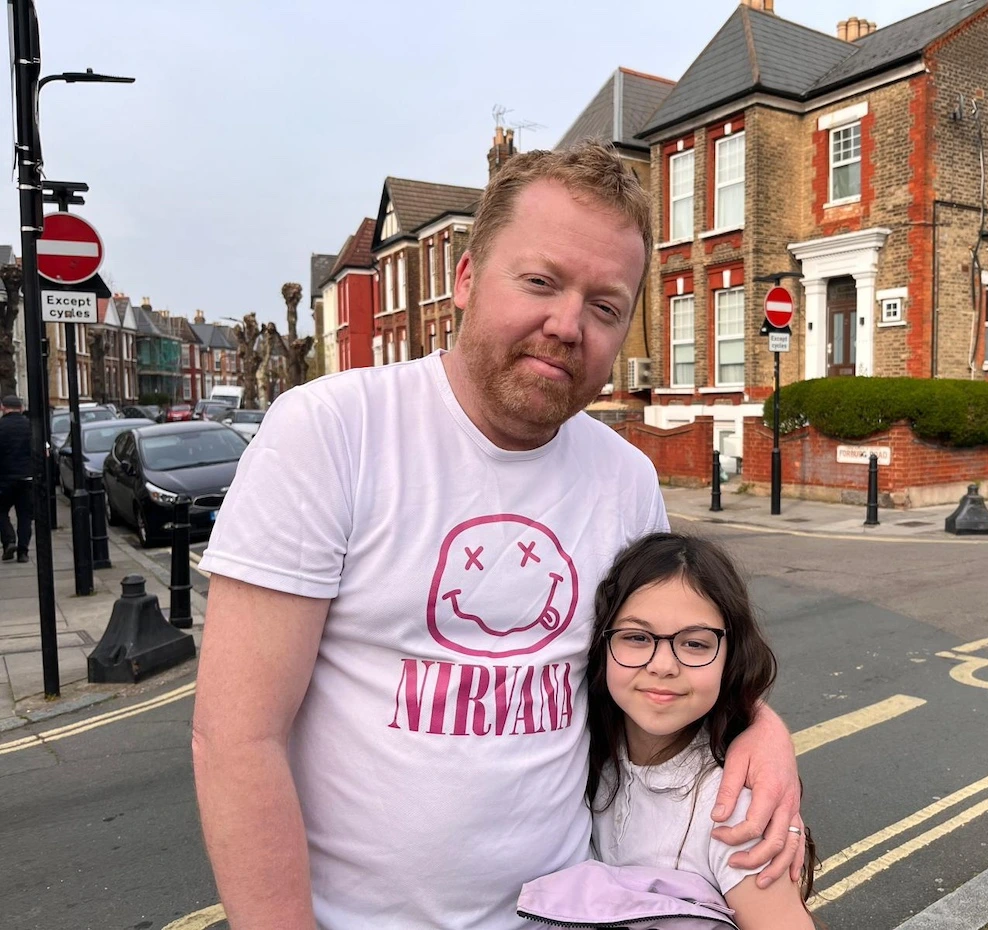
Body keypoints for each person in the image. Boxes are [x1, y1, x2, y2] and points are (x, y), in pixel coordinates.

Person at [192, 141, 805, 929]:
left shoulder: (625, 479)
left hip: (567, 912)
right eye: (541, 281)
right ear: (466, 279)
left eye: (606, 306)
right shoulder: (332, 431)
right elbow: (237, 739)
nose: (567, 324)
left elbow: (657, 664)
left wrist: (760, 724)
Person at [519, 533, 816, 929]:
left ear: (732, 657)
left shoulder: (736, 812)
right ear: (601, 646)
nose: (663, 665)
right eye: (637, 637)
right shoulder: (578, 751)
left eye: (694, 644)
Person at [0, 394, 33, 563]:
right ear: (20, 408)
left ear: (3, 408)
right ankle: (23, 552)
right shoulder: (30, 426)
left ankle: (9, 540)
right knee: (25, 516)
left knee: (1, 511)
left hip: (4, 479)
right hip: (26, 478)